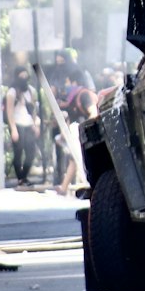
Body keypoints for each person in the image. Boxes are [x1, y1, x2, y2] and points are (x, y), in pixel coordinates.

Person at [55, 66, 97, 196]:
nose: (66, 85)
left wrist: (86, 131)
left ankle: (89, 186)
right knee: (74, 158)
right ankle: (63, 187)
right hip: (76, 132)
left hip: (84, 133)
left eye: (68, 82)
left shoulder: (84, 95)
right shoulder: (72, 97)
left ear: (75, 82)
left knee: (80, 159)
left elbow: (93, 113)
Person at [5, 67, 38, 186]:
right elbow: (9, 112)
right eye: (21, 76)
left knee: (31, 152)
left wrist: (35, 124)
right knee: (18, 152)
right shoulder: (12, 92)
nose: (24, 79)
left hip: (28, 124)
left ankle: (24, 175)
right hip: (17, 124)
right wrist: (13, 129)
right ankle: (20, 178)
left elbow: (34, 109)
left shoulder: (31, 91)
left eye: (26, 76)